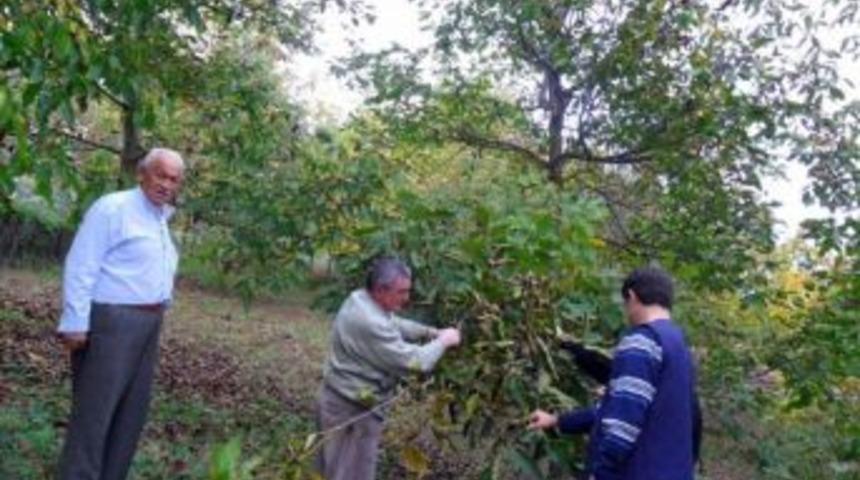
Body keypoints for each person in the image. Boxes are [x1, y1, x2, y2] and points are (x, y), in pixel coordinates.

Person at [56, 148, 185, 480]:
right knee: (94, 415)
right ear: (142, 173)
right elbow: (81, 264)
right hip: (112, 322)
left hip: (148, 324)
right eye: (161, 175)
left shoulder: (160, 217)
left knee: (130, 414)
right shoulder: (113, 208)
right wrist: (74, 322)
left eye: (174, 179)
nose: (167, 184)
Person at [529, 266, 697, 480]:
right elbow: (633, 412)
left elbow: (621, 426)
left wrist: (599, 473)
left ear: (632, 296)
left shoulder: (642, 341)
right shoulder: (679, 346)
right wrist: (557, 421)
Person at [316, 256, 462, 480]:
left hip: (345, 401)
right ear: (381, 290)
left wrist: (430, 332)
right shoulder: (369, 321)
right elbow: (416, 363)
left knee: (339, 470)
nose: (407, 298)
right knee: (348, 474)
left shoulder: (361, 299)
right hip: (349, 409)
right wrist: (445, 341)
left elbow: (395, 323)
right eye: (401, 292)